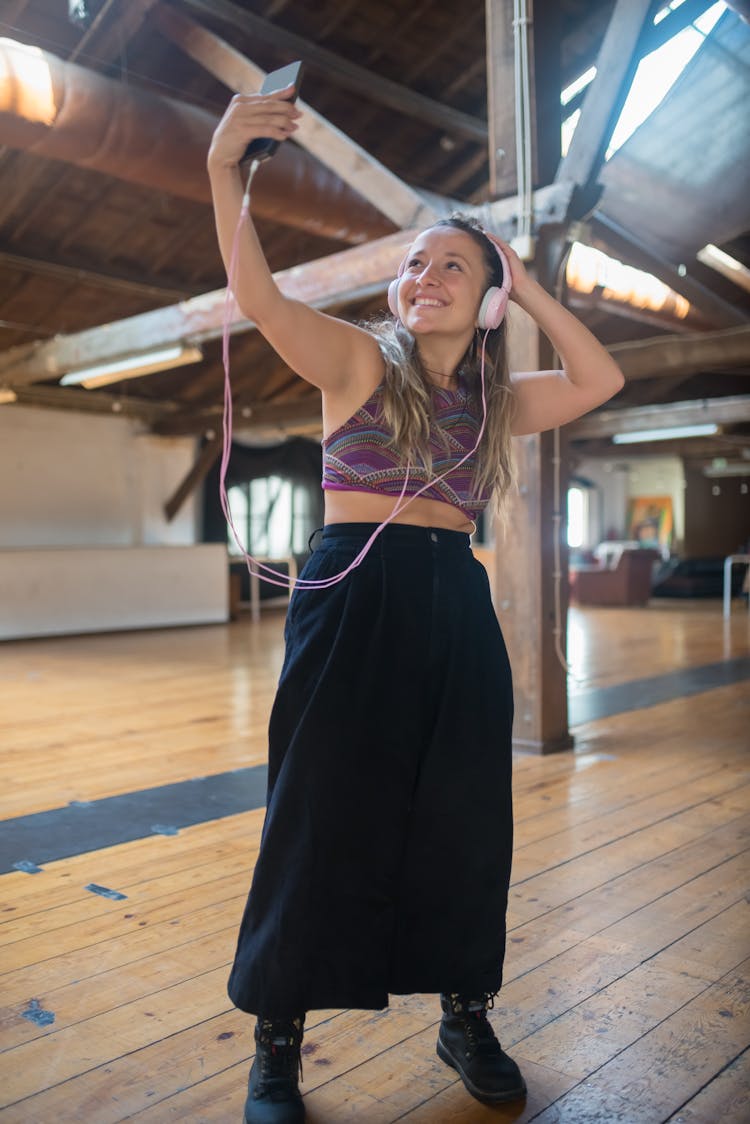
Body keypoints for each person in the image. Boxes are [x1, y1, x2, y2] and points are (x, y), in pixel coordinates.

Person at [207, 83, 625, 1124]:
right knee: (316, 813)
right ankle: (277, 1038)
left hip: (453, 598)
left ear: (482, 294)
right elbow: (257, 296)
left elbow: (600, 375)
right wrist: (224, 169)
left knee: (464, 817)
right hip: (353, 592)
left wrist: (524, 289)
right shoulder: (352, 361)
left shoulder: (496, 402)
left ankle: (464, 1011)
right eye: (413, 261)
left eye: (453, 263)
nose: (424, 273)